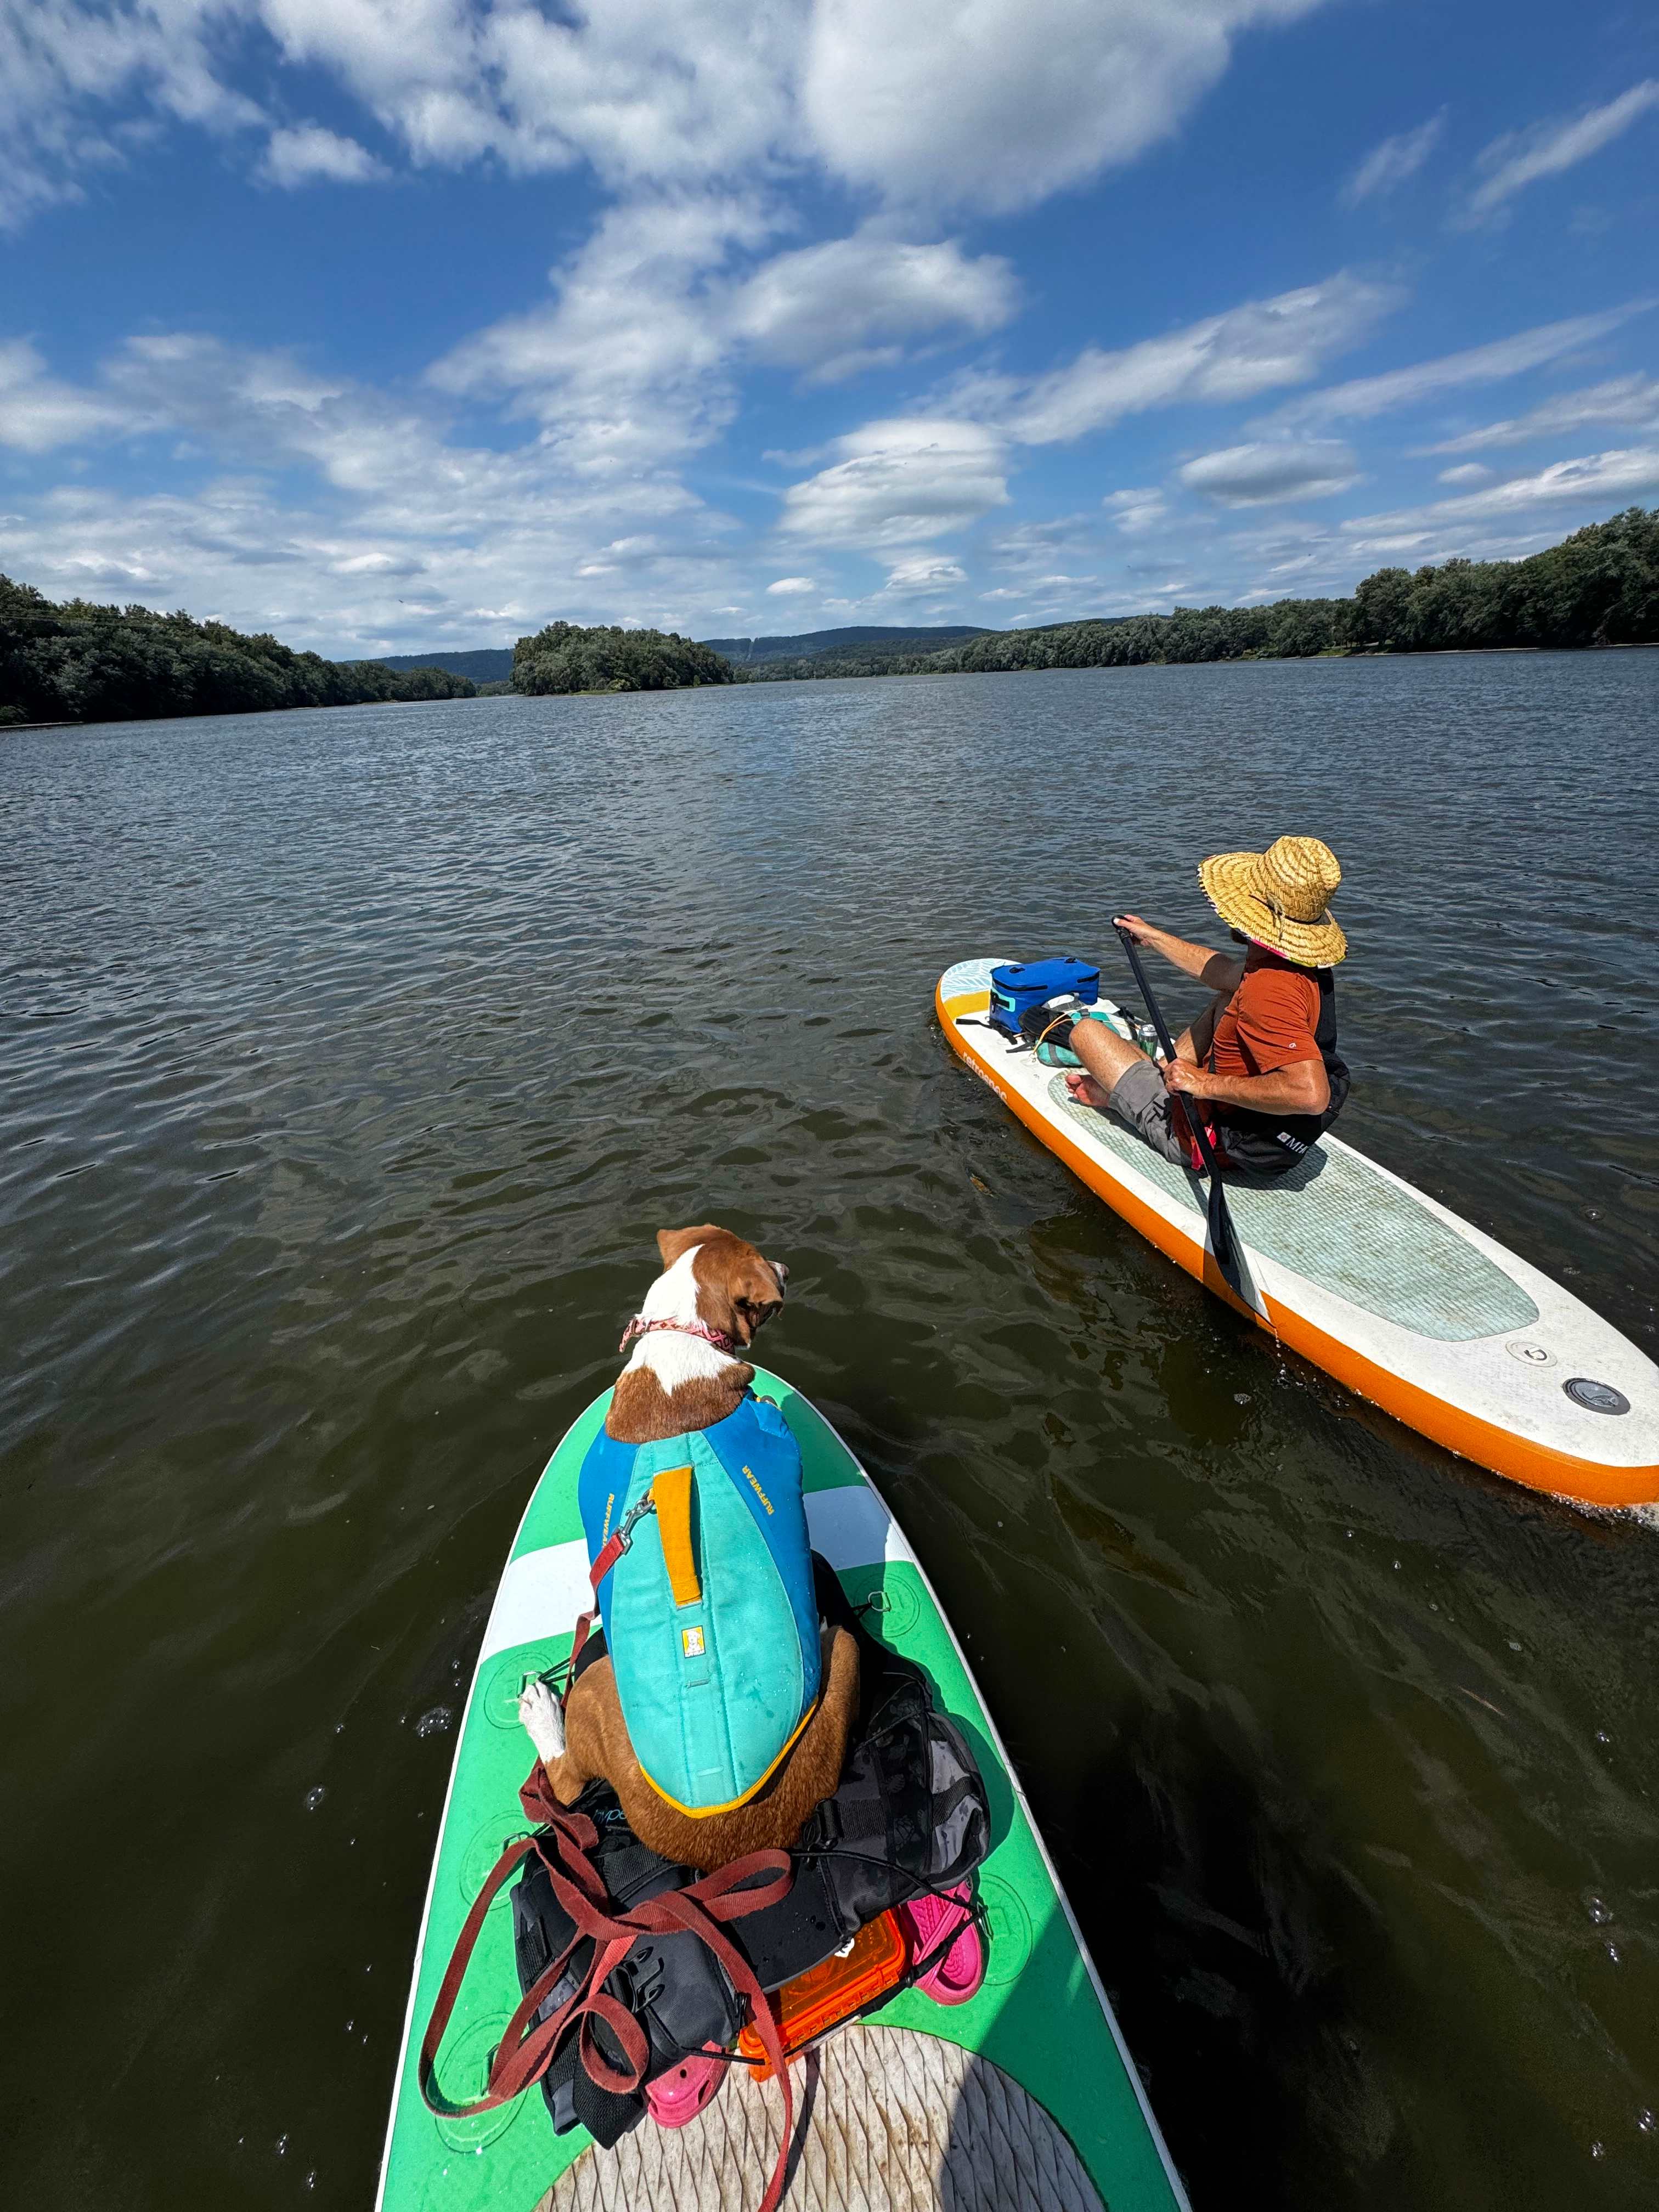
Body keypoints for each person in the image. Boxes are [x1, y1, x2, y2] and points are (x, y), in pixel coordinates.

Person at [1059, 833, 1351, 1178]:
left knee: (1085, 1032)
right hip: (1251, 1126)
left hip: (1206, 1140)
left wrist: (1201, 1084)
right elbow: (1222, 973)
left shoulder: (1268, 993)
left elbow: (1310, 1094)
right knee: (1228, 997)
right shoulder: (1297, 966)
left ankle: (1122, 1100)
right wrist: (1154, 938)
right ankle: (1156, 1077)